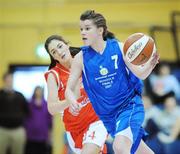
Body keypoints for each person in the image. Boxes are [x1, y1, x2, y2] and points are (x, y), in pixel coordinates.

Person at [65, 10, 160, 154]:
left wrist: (150, 64)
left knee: (120, 147)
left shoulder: (119, 47)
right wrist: (71, 100)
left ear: (100, 30)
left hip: (129, 106)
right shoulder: (80, 58)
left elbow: (140, 73)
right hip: (108, 116)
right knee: (141, 150)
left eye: (87, 28)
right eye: (81, 29)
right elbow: (69, 88)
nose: (83, 32)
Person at [44, 35, 108, 154]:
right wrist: (70, 100)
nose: (59, 52)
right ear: (53, 57)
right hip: (74, 130)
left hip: (97, 121)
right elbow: (52, 108)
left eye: (60, 46)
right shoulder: (53, 75)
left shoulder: (85, 59)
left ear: (67, 44)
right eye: (54, 52)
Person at [0, 71, 29, 154]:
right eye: (8, 79)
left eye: (11, 79)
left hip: (18, 130)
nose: (10, 81)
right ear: (4, 80)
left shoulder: (20, 95)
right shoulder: (0, 95)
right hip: (2, 130)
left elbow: (26, 111)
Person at [24, 86, 52, 154]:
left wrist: (50, 135)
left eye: (40, 91)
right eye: (37, 90)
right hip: (31, 135)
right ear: (34, 92)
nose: (39, 92)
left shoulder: (47, 105)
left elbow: (49, 120)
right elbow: (25, 118)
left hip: (43, 136)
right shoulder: (29, 104)